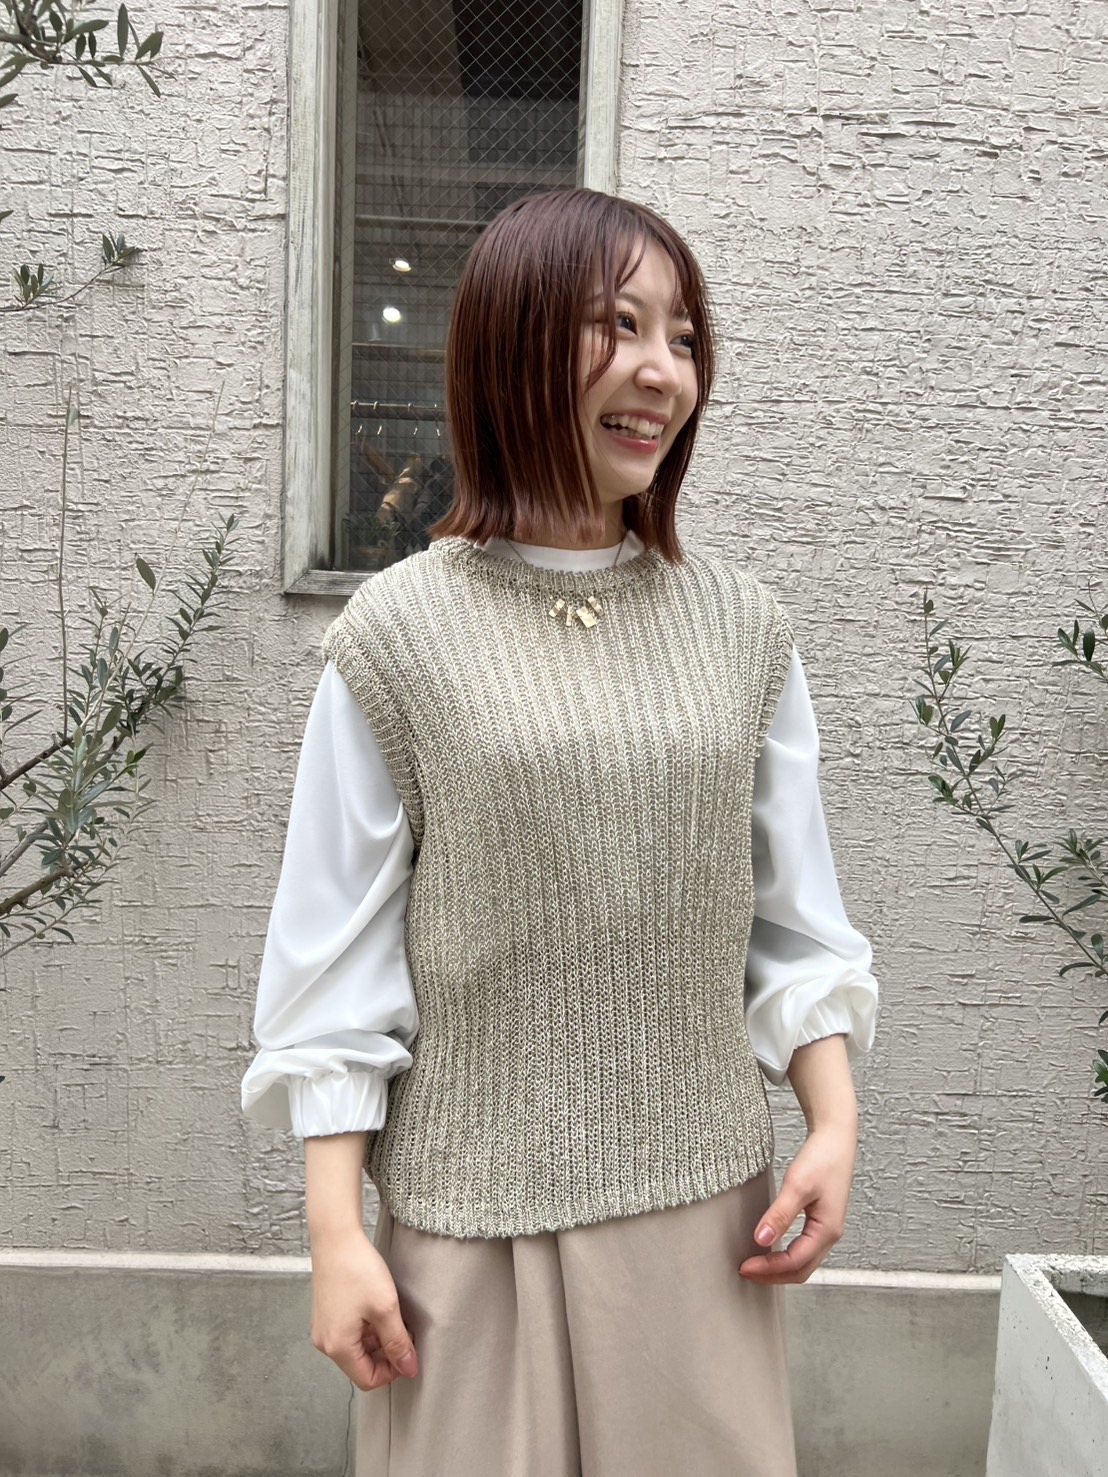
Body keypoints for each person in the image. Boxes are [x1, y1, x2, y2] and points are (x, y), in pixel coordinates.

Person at [242, 188, 879, 1476]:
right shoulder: (397, 637)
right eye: (619, 326)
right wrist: (334, 1232)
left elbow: (789, 916)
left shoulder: (741, 627)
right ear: (514, 346)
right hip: (468, 1229)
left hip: (703, 1214)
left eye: (684, 337)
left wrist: (831, 1121)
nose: (663, 372)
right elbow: (334, 962)